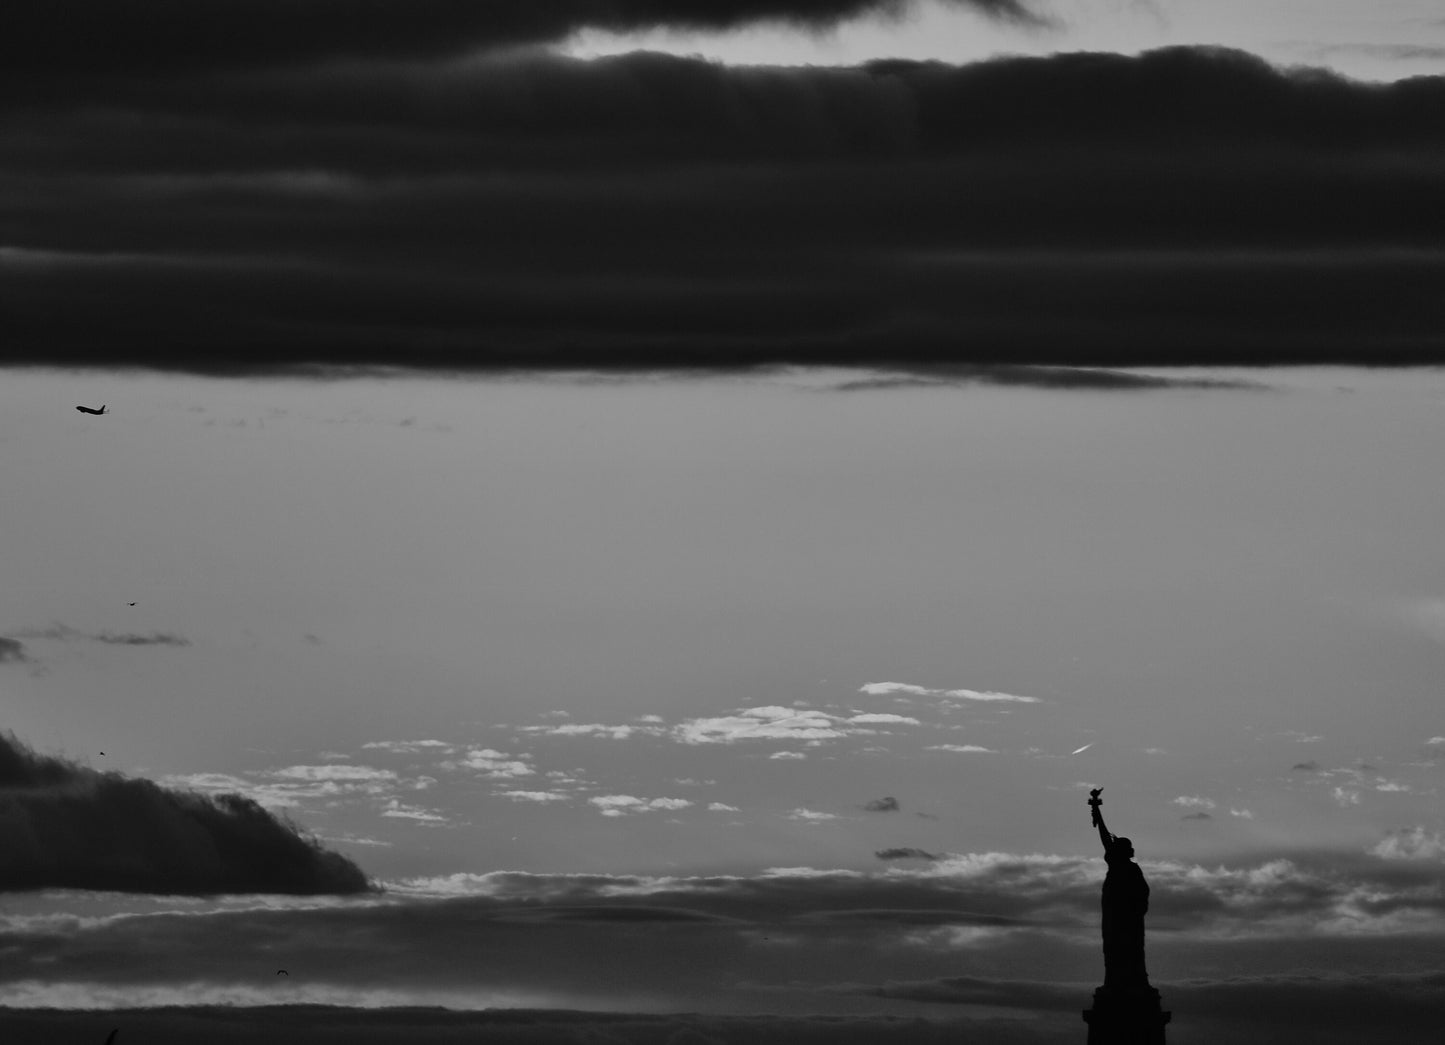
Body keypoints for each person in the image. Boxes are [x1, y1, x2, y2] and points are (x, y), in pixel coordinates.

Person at [1090, 789, 1150, 990]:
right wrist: (1096, 810)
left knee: (1131, 947)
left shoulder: (1131, 869)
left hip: (1129, 916)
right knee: (1114, 946)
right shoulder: (1118, 865)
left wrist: (1137, 907)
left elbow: (1143, 893)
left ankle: (1133, 980)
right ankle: (1115, 981)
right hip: (1115, 912)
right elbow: (1105, 836)